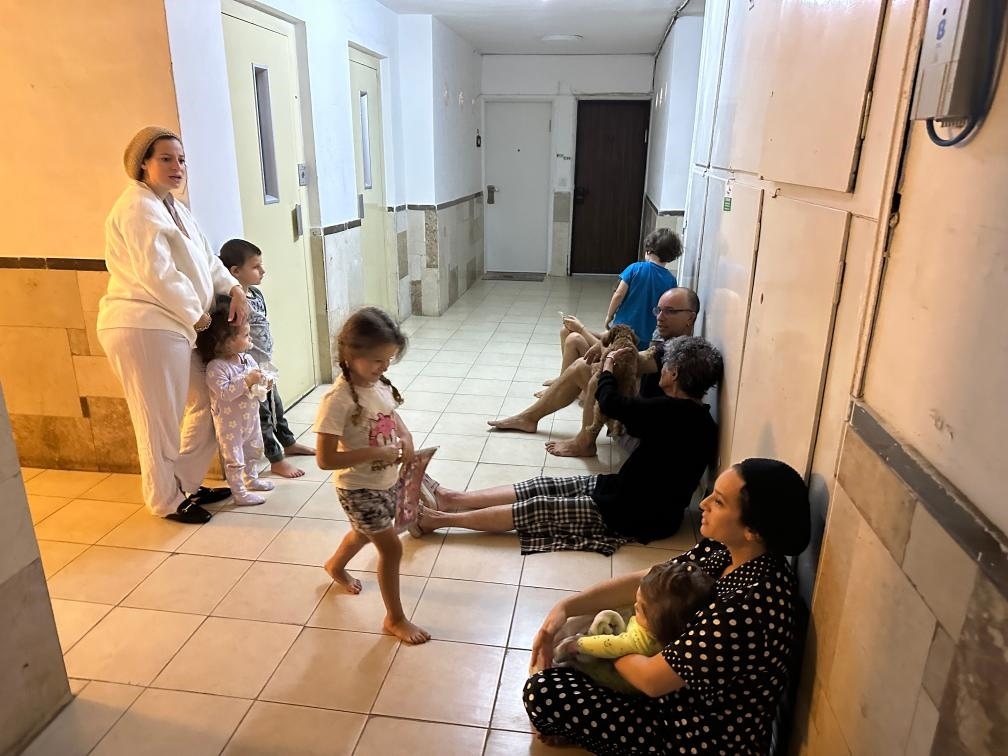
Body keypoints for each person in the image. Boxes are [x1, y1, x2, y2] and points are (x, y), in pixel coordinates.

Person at [523, 458, 812, 754]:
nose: (704, 504)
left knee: (545, 692)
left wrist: (603, 645)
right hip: (672, 688)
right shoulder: (725, 550)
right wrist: (566, 608)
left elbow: (651, 679)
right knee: (573, 635)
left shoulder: (747, 609)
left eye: (719, 502)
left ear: (753, 530)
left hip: (697, 735)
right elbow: (649, 580)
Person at [418, 336, 722, 553]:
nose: (662, 371)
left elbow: (610, 402)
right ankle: (451, 497)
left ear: (674, 374)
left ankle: (440, 519)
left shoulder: (671, 411)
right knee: (542, 485)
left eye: (666, 366)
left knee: (536, 508)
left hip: (634, 515)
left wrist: (608, 367)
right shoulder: (700, 419)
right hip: (625, 491)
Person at [97, 126, 249, 524]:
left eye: (181, 160)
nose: (177, 167)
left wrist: (234, 288)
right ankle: (164, 499)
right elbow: (157, 273)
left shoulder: (174, 208)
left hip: (175, 326)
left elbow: (207, 260)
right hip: (144, 326)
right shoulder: (136, 207)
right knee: (157, 420)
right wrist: (197, 314)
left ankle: (184, 483)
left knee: (211, 402)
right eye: (165, 158)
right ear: (142, 164)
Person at [313, 307, 430, 645]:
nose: (385, 367)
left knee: (363, 533)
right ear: (350, 355)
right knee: (391, 549)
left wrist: (406, 438)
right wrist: (375, 453)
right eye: (378, 360)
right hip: (358, 488)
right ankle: (395, 618)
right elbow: (325, 459)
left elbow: (393, 418)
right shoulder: (337, 400)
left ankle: (335, 565)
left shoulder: (378, 385)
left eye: (389, 360)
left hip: (385, 480)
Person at [489, 287, 701, 459]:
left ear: (690, 318)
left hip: (638, 429)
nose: (660, 317)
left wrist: (593, 339)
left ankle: (584, 442)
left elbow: (629, 359)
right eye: (659, 310)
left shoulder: (678, 351)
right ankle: (529, 418)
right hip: (636, 408)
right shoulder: (667, 339)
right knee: (583, 365)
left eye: (670, 311)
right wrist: (600, 341)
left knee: (594, 376)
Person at [219, 238, 315, 478]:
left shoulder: (256, 294)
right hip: (249, 371)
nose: (262, 271)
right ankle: (276, 459)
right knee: (261, 415)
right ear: (235, 271)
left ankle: (289, 443)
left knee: (276, 407)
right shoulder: (229, 303)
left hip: (265, 364)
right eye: (255, 267)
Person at [552, 561, 714, 695]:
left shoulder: (641, 640)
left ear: (657, 624)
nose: (635, 604)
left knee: (583, 662)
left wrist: (575, 645)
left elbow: (608, 645)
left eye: (640, 608)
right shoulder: (676, 625)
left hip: (616, 679)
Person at [547, 228, 682, 381]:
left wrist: (609, 316)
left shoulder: (635, 268)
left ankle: (566, 381)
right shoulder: (671, 280)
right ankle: (564, 379)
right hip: (642, 343)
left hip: (618, 339)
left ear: (649, 250)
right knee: (567, 331)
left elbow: (618, 294)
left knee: (571, 333)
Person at [195, 296, 275, 506]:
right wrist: (247, 380)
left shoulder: (246, 359)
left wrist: (264, 383)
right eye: (246, 335)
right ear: (227, 342)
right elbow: (224, 392)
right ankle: (239, 493)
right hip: (230, 424)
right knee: (234, 458)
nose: (250, 339)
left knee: (253, 448)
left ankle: (252, 479)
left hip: (250, 417)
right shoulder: (216, 367)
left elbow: (255, 385)